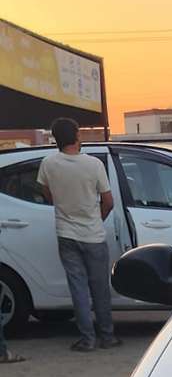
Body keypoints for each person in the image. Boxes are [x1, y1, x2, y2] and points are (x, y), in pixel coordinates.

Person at [38, 118, 121, 352]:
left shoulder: (48, 163)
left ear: (56, 138)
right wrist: (96, 219)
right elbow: (109, 201)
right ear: (77, 137)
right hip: (93, 235)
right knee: (100, 288)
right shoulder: (94, 164)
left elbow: (47, 194)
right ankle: (108, 336)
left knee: (78, 288)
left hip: (66, 234)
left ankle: (87, 339)